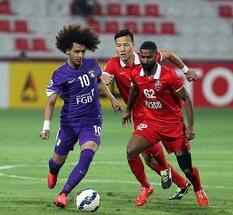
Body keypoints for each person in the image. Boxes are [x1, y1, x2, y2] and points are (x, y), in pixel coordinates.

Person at [102, 29, 198, 205]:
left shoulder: (146, 58)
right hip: (138, 114)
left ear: (133, 45)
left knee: (145, 152)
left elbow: (168, 54)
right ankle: (180, 182)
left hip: (156, 113)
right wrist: (113, 98)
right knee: (147, 157)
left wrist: (185, 70)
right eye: (118, 46)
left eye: (125, 45)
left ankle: (155, 180)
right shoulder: (114, 64)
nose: (122, 49)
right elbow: (103, 78)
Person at [39, 24, 122, 208]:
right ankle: (53, 171)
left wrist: (112, 99)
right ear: (67, 50)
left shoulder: (91, 65)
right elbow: (51, 101)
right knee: (57, 161)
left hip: (92, 120)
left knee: (87, 155)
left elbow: (98, 81)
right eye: (76, 51)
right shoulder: (60, 74)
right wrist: (46, 127)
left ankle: (63, 194)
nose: (80, 55)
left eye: (83, 51)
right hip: (69, 123)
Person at [122, 41, 208, 206]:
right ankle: (146, 187)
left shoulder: (168, 76)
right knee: (131, 151)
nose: (145, 60)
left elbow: (187, 99)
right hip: (151, 123)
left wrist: (190, 127)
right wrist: (128, 110)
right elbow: (134, 90)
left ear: (156, 57)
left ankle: (198, 188)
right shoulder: (136, 72)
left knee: (187, 169)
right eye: (143, 57)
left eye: (149, 57)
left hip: (173, 126)